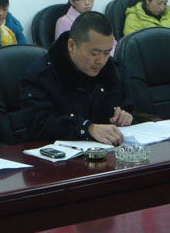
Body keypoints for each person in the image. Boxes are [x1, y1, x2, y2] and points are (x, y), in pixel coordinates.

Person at [21, 11, 133, 146]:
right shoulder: (40, 75)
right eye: (94, 53)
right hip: (57, 153)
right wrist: (87, 128)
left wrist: (124, 116)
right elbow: (39, 124)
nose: (101, 61)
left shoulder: (112, 68)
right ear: (71, 46)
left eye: (107, 53)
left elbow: (125, 105)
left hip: (105, 150)